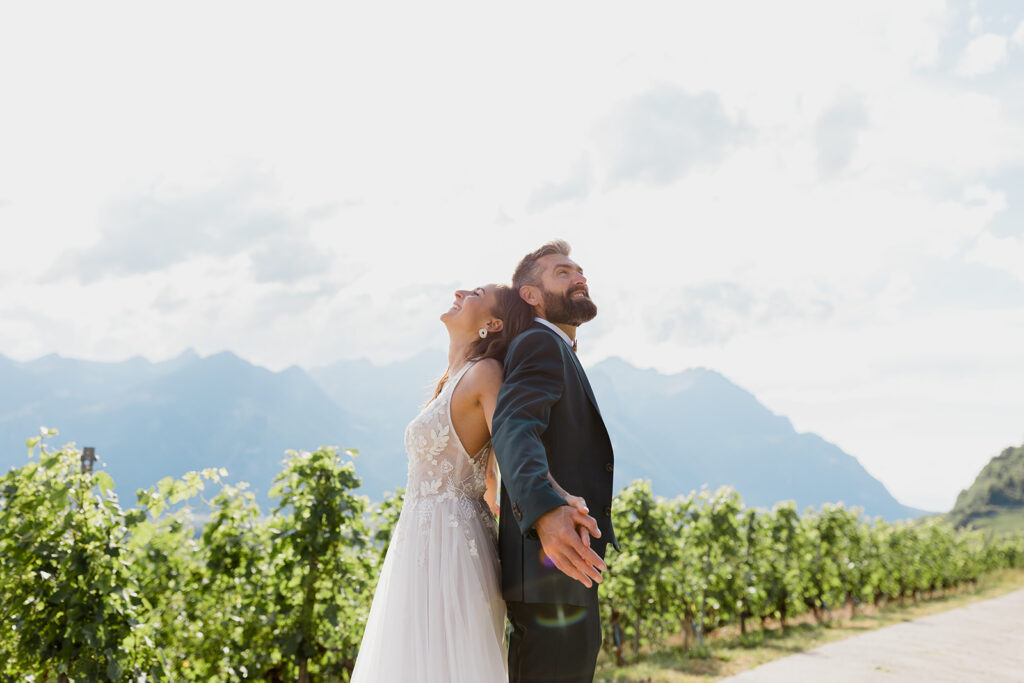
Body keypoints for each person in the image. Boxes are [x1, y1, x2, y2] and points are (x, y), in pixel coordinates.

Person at [350, 283, 588, 682]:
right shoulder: (450, 379)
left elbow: (512, 439)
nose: (461, 291)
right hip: (417, 539)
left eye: (475, 292)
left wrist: (554, 498)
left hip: (453, 543)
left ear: (492, 323)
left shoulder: (485, 374)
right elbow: (492, 476)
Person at [492, 240, 618, 682]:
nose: (579, 277)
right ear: (531, 295)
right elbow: (513, 426)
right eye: (562, 272)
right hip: (549, 566)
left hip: (561, 568)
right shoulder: (539, 344)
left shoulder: (555, 347)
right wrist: (544, 510)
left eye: (580, 270)